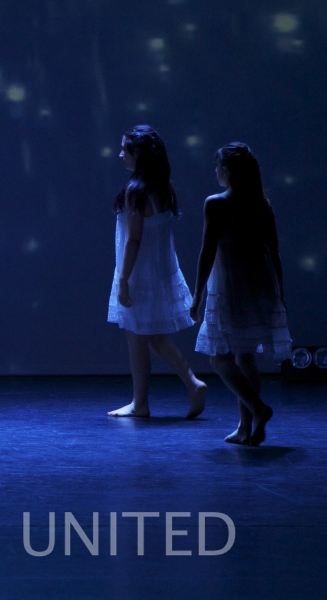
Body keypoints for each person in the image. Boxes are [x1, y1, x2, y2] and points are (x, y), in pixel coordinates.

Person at [190, 142, 290, 446]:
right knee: (245, 356)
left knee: (219, 358)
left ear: (227, 170)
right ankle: (246, 428)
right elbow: (274, 252)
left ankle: (258, 410)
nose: (215, 172)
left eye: (217, 166)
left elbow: (207, 252)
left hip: (232, 285)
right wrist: (279, 294)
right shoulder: (261, 204)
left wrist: (198, 295)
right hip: (259, 284)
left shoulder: (217, 203)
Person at [107, 125, 207, 419]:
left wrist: (123, 279)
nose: (120, 155)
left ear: (139, 154)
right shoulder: (160, 188)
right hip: (158, 270)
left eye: (125, 149)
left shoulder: (136, 192)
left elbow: (134, 240)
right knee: (150, 337)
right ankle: (172, 390)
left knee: (139, 337)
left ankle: (151, 399)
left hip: (140, 272)